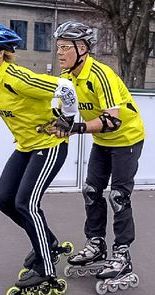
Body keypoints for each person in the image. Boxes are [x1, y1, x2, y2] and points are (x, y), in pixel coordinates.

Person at [0, 23, 78, 290]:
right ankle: (48, 243)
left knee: (26, 204)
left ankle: (46, 266)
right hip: (26, 146)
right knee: (4, 200)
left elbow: (65, 88)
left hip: (49, 145)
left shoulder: (17, 78)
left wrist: (68, 120)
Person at [52, 21, 145, 280]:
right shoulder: (66, 78)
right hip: (103, 142)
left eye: (64, 47)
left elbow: (113, 121)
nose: (59, 52)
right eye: (57, 47)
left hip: (126, 138)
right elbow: (64, 114)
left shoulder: (100, 75)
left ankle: (122, 254)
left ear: (82, 48)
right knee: (91, 190)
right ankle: (96, 245)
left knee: (118, 195)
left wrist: (76, 129)